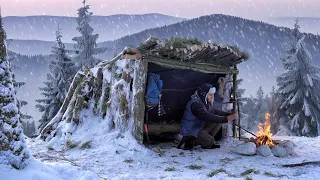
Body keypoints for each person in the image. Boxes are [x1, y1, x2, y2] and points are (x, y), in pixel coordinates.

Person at [179, 83, 238, 150]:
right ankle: (189, 142)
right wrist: (226, 119)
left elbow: (215, 112)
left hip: (199, 127)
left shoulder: (205, 102)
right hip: (191, 131)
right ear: (204, 94)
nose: (212, 96)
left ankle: (207, 139)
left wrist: (228, 115)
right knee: (210, 141)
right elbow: (207, 116)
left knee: (219, 120)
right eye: (210, 94)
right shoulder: (195, 104)